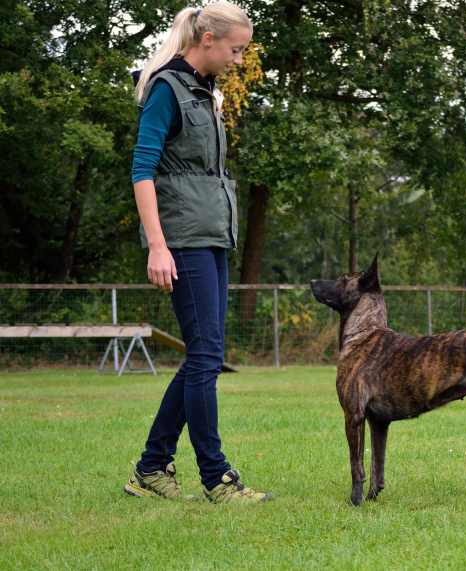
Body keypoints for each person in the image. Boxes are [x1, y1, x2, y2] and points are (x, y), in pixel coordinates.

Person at [124, 2, 271, 504]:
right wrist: (158, 246)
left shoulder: (204, 93)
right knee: (205, 358)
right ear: (207, 38)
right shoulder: (167, 88)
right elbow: (142, 169)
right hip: (182, 240)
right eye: (235, 49)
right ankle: (216, 477)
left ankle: (151, 467)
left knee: (204, 357)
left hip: (211, 236)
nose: (238, 59)